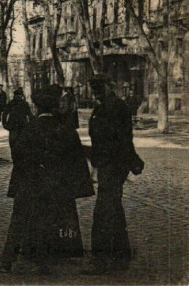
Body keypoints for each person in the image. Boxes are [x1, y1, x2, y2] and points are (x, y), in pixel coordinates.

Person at [0, 88, 94, 274]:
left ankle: (7, 260)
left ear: (36, 108)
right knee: (52, 219)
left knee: (19, 219)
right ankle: (47, 260)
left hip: (30, 183)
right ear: (56, 106)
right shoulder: (65, 129)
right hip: (56, 184)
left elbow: (18, 156)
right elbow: (76, 158)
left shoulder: (29, 128)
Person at [82, 74, 144, 275]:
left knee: (103, 212)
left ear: (110, 86)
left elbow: (120, 140)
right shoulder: (102, 107)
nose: (96, 90)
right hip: (109, 164)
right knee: (114, 210)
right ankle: (121, 255)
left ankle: (100, 261)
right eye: (93, 87)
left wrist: (127, 161)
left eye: (100, 86)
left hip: (113, 165)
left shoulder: (115, 108)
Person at [2, 88, 32, 152]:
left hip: (14, 126)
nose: (18, 97)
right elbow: (30, 115)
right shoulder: (24, 104)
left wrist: (5, 124)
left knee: (14, 142)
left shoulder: (11, 103)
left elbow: (4, 114)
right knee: (21, 142)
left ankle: (15, 156)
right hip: (21, 125)